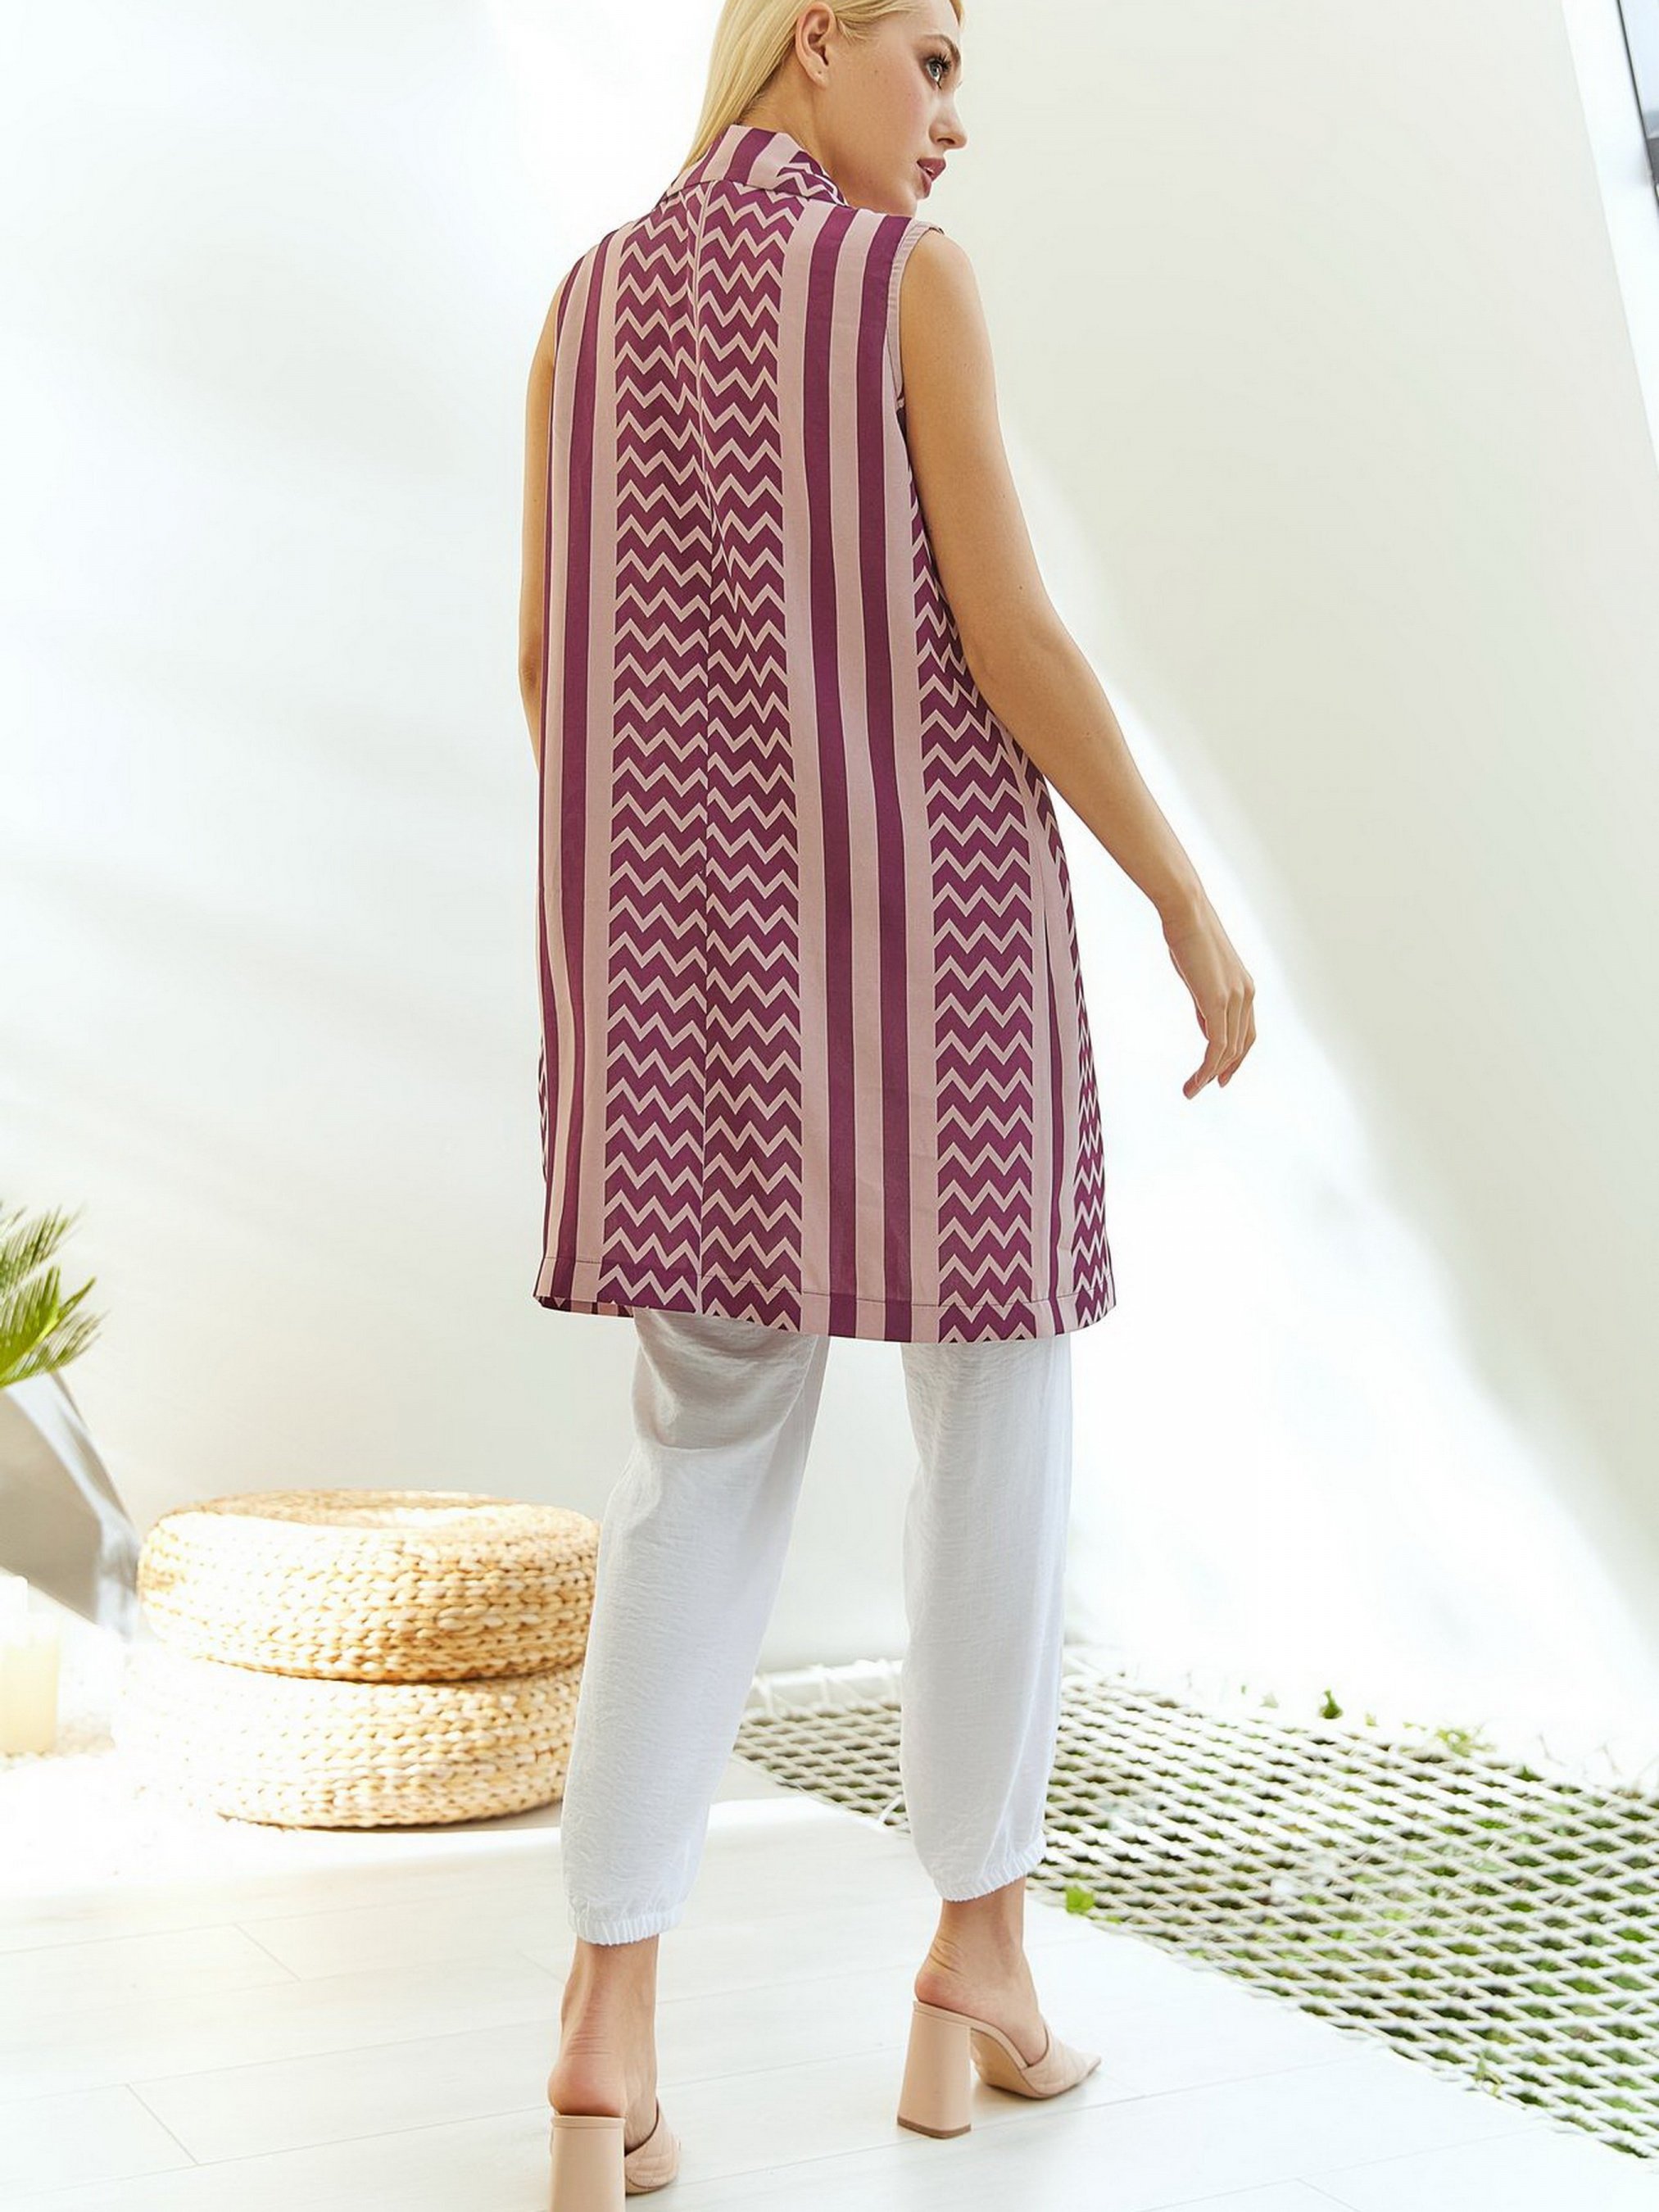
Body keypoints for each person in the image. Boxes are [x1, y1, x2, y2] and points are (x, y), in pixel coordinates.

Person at [518, 2, 1256, 2199]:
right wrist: (1183, 896)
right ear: (815, 36)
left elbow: (553, 667)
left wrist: (689, 887)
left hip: (691, 975)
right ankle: (976, 1958)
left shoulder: (585, 301)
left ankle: (604, 2025)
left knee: (695, 1460)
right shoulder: (903, 281)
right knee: (994, 1421)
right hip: (941, 953)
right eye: (930, 62)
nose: (952, 118)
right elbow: (1009, 635)